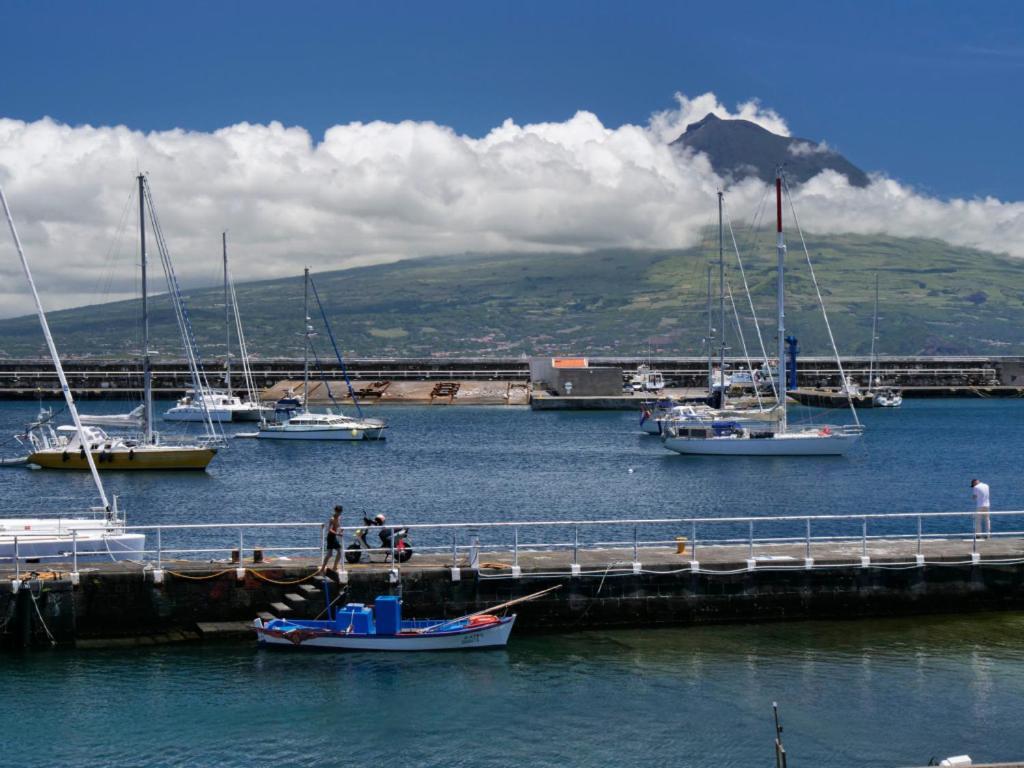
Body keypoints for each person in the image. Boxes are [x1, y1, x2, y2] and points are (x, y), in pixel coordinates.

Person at [316, 505, 343, 576]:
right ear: (335, 511)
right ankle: (322, 569)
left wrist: (340, 529)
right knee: (330, 554)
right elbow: (329, 529)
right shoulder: (332, 518)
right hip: (331, 537)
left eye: (340, 512)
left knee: (339, 551)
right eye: (338, 512)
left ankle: (334, 567)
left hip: (334, 536)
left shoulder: (338, 517)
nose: (339, 513)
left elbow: (338, 525)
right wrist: (337, 533)